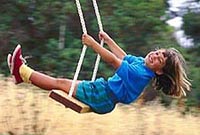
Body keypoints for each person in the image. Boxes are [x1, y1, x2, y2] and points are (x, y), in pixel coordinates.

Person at [7, 31, 191, 114]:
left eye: (160, 59)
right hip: (103, 90)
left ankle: (22, 70)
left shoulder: (141, 74)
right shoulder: (141, 63)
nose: (155, 55)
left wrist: (93, 44)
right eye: (158, 52)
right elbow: (123, 56)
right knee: (61, 82)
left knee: (61, 83)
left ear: (159, 71)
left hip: (103, 96)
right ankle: (21, 74)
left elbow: (113, 60)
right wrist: (108, 39)